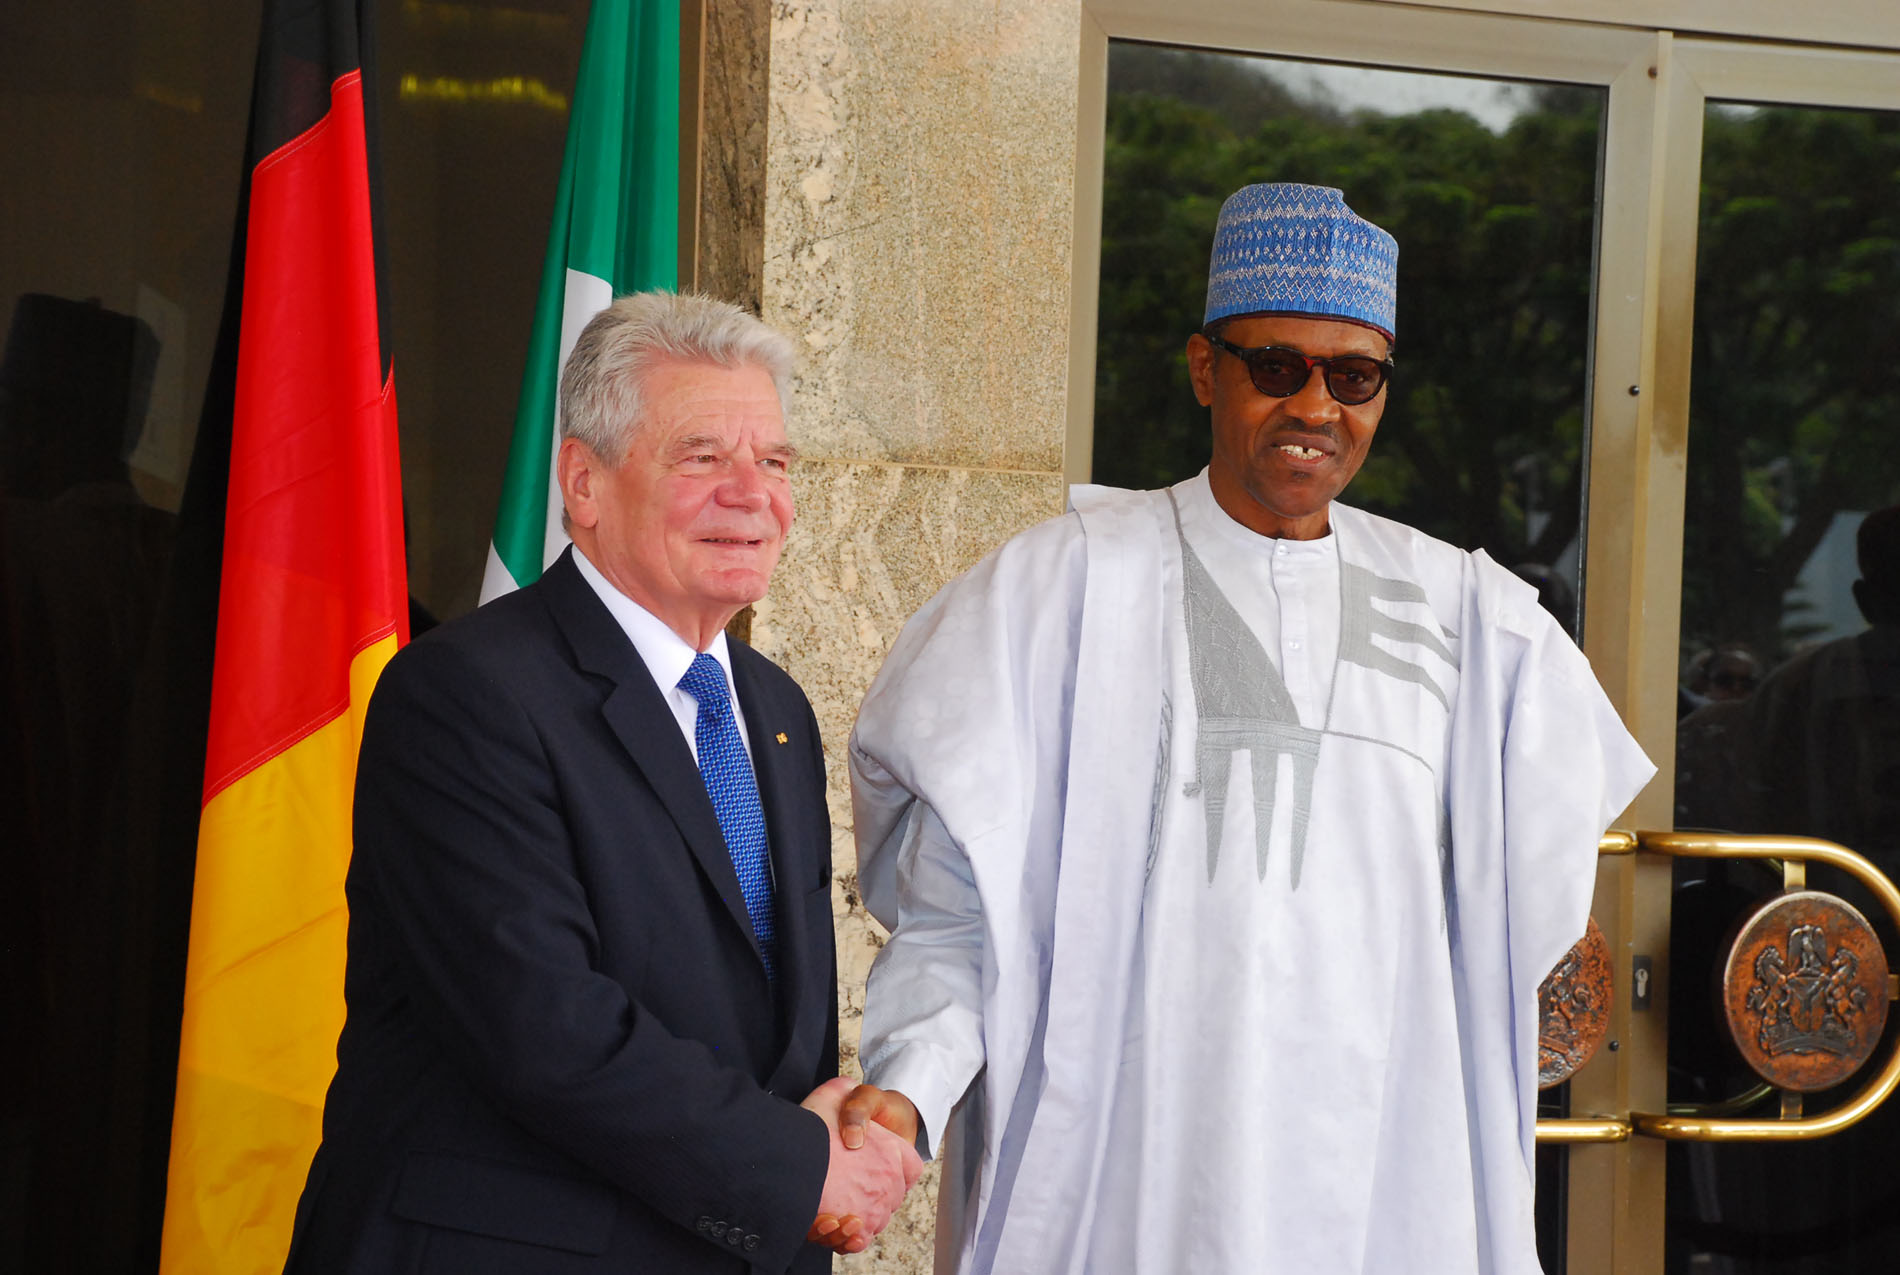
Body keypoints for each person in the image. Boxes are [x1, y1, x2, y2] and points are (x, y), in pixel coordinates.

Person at [839, 184, 1655, 1273]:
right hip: (1131, 1177)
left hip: (1385, 1179)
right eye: (1276, 367)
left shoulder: (1468, 621)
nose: (1314, 406)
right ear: (1202, 369)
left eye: (1353, 376)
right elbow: (956, 917)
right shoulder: (1060, 594)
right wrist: (902, 1097)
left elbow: (1528, 926)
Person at [284, 292, 920, 1274]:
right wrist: (796, 1166)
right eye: (703, 457)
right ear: (583, 483)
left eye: (775, 462)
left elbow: (753, 1021)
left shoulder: (773, 707)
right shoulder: (467, 693)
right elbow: (542, 1025)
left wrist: (830, 1125)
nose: (753, 495)